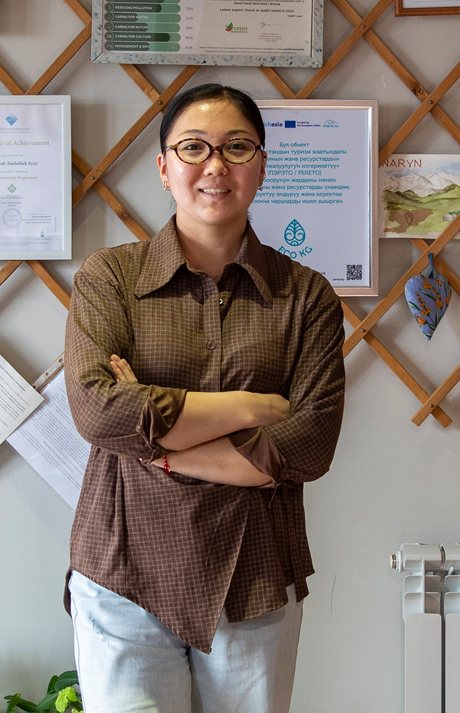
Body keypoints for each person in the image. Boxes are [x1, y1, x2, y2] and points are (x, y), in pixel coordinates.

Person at [63, 83, 346, 713]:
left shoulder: (307, 296)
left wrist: (154, 445)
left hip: (255, 577)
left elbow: (308, 446)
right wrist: (253, 407)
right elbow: (98, 411)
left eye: (237, 147)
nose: (215, 165)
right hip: (123, 570)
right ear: (164, 168)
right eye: (193, 147)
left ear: (262, 166)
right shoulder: (110, 278)